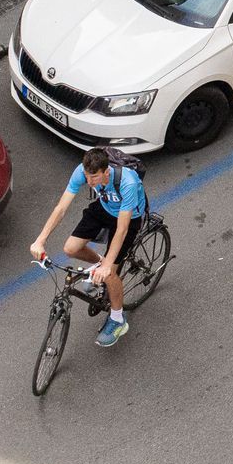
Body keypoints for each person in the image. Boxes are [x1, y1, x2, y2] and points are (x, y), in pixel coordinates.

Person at [29, 146, 147, 348]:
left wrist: (107, 266)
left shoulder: (127, 182)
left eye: (94, 177)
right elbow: (61, 207)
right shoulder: (82, 172)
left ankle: (118, 319)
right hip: (105, 207)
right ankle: (99, 265)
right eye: (87, 176)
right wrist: (41, 239)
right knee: (70, 248)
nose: (89, 182)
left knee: (110, 274)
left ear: (106, 172)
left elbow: (122, 229)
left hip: (128, 218)